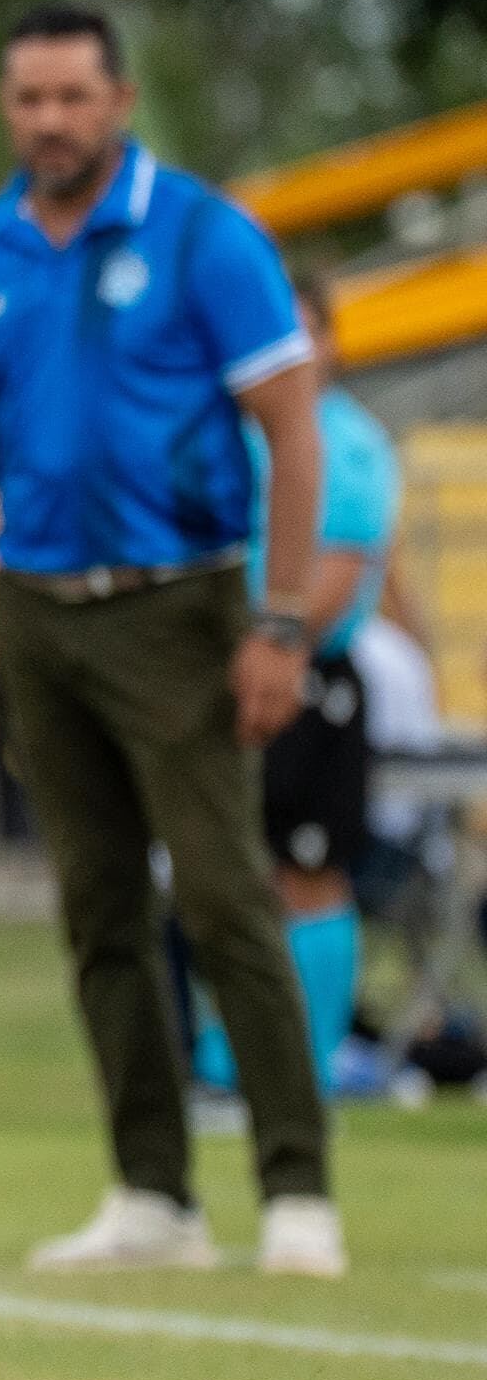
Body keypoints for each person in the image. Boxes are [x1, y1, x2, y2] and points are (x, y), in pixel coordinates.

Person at [0, 1, 338, 1277]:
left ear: (119, 99)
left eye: (71, 97)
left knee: (218, 892)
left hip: (178, 601)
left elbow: (291, 431)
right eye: (26, 99)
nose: (48, 121)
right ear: (5, 109)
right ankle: (151, 1193)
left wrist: (279, 619)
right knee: (94, 907)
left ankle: (295, 1188)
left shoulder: (203, 237)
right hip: (34, 605)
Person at [188, 265, 399, 1116]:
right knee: (232, 874)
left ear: (332, 342)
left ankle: (306, 1064)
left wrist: (270, 644)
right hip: (223, 673)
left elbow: (336, 579)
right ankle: (228, 1057)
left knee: (308, 872)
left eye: (305, 331)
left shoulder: (345, 444)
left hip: (307, 682)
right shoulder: (234, 435)